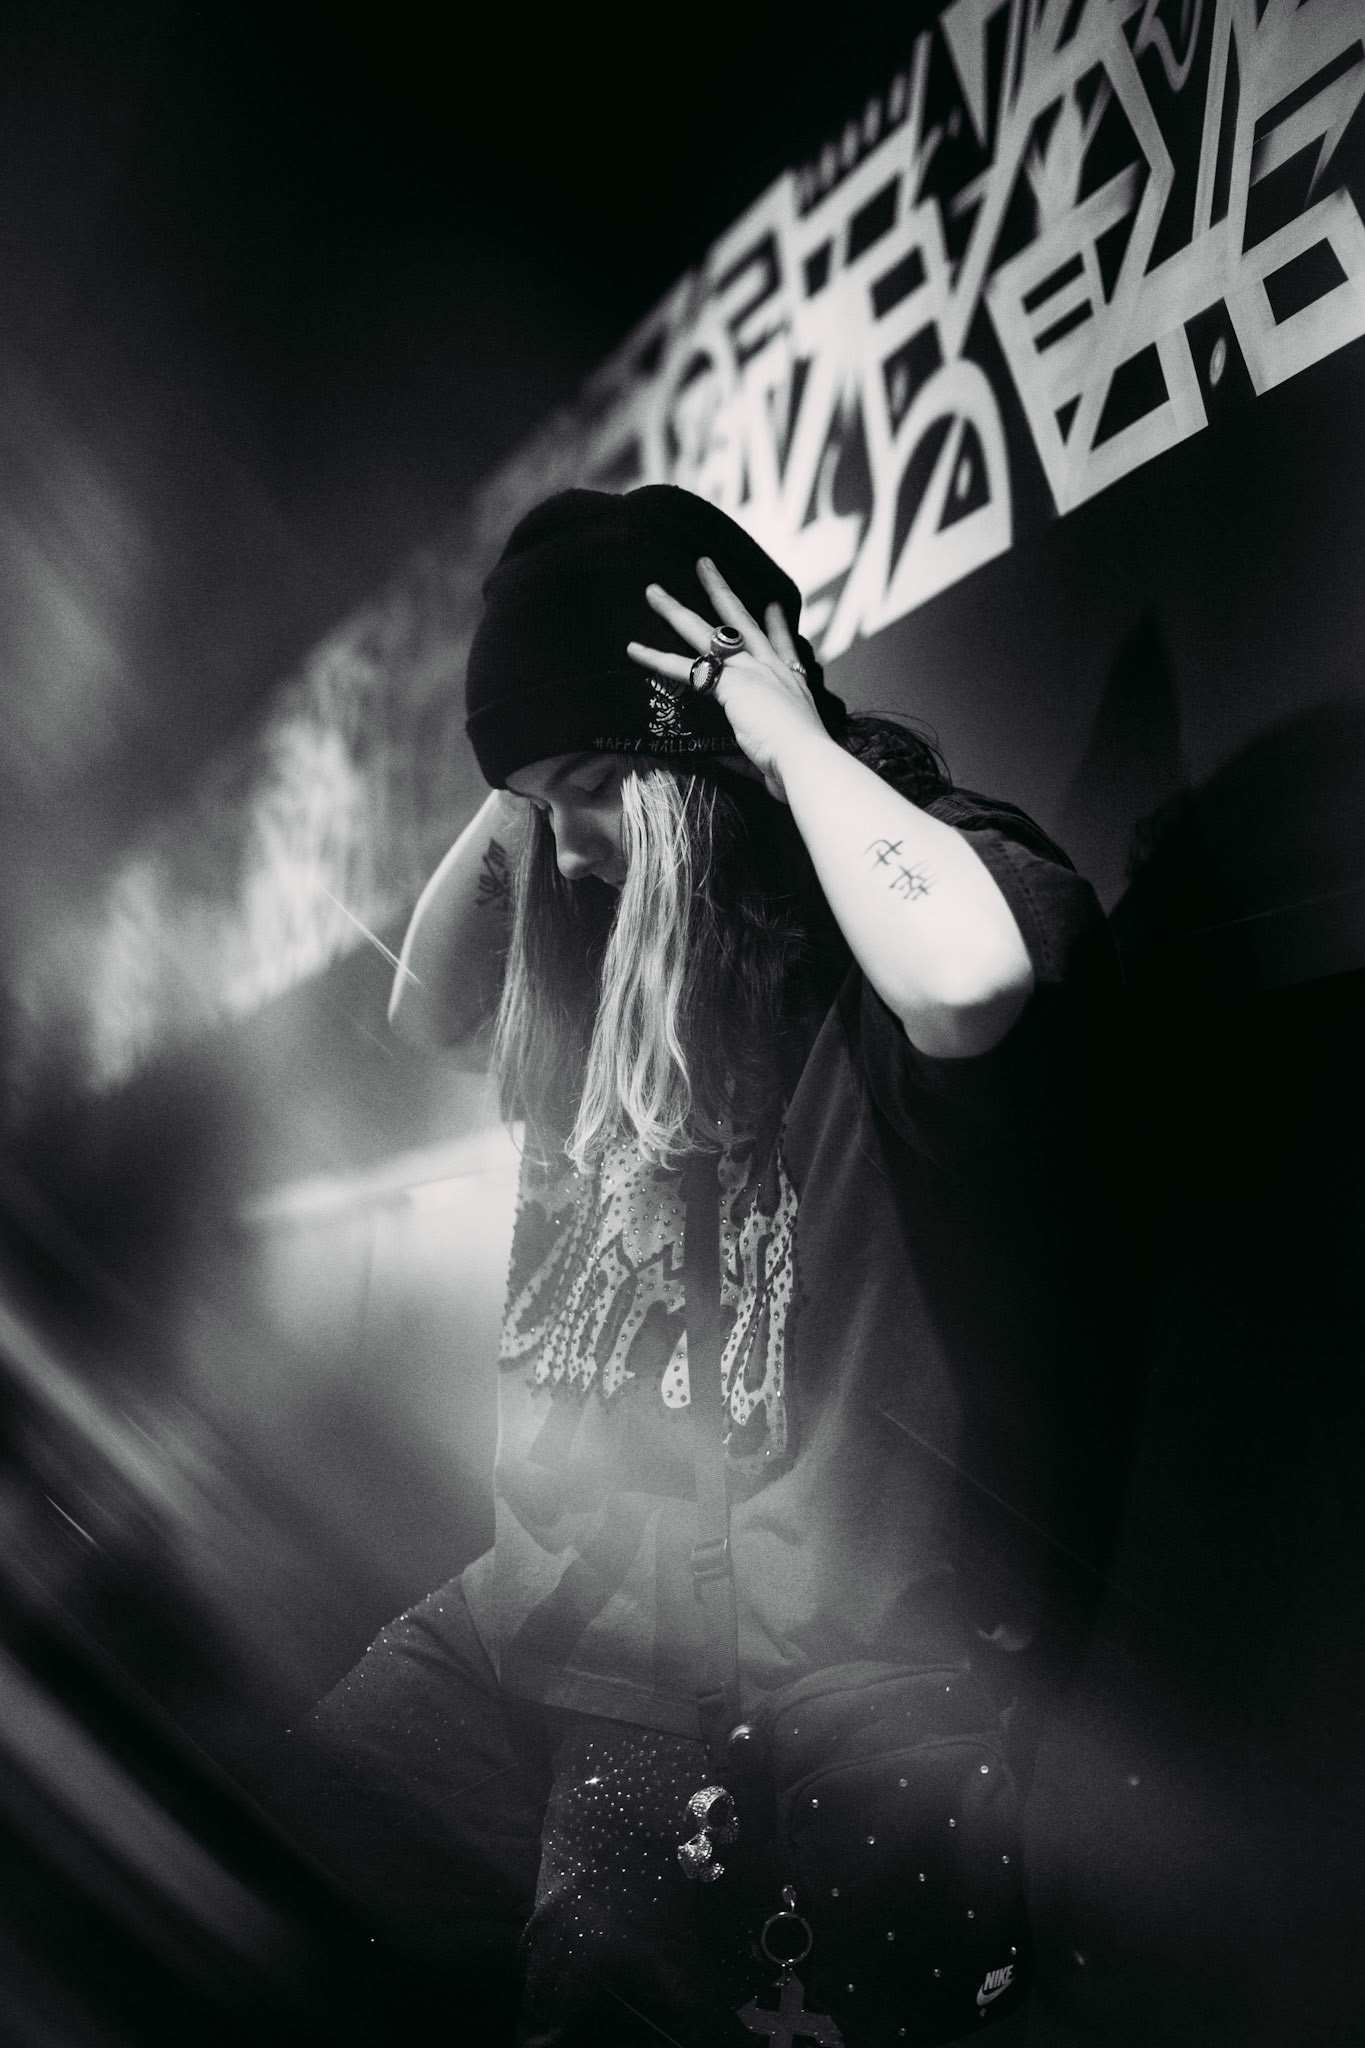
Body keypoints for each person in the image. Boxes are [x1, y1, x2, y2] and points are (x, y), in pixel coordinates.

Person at [278, 486, 1135, 2047]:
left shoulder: (901, 900)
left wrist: (784, 734)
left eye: (598, 790)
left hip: (748, 1660)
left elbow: (969, 983)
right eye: (543, 808)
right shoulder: (596, 923)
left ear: (708, 751)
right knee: (276, 1870)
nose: (570, 850)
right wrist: (537, 763)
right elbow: (424, 1013)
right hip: (544, 1596)